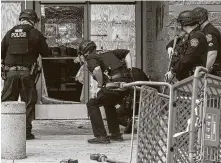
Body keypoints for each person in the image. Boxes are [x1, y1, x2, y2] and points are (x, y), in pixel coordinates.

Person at [1, 9, 49, 140]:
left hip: (10, 73)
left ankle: (7, 131)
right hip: (27, 74)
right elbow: (46, 52)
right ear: (33, 20)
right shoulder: (35, 34)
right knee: (28, 102)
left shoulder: (10, 33)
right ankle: (25, 133)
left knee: (7, 102)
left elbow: (1, 52)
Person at [77, 40, 133, 144]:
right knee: (108, 103)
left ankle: (101, 136)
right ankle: (115, 135)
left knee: (92, 103)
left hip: (114, 85)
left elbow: (97, 69)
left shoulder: (90, 57)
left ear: (84, 53)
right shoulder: (107, 52)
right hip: (127, 85)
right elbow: (127, 53)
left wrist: (99, 85)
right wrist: (130, 71)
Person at [165, 10, 208, 81]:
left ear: (184, 23)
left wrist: (173, 71)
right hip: (186, 78)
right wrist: (170, 48)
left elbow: (187, 59)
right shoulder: (188, 35)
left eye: (180, 23)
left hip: (193, 79)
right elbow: (174, 42)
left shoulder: (197, 37)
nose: (179, 26)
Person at [116, 67, 150, 133]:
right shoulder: (138, 71)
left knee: (111, 113)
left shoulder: (122, 74)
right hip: (145, 102)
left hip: (131, 105)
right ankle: (128, 121)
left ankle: (127, 121)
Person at [192, 7, 221, 77]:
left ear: (199, 20)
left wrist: (205, 71)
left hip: (214, 73)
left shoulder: (209, 31)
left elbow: (212, 53)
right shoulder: (204, 30)